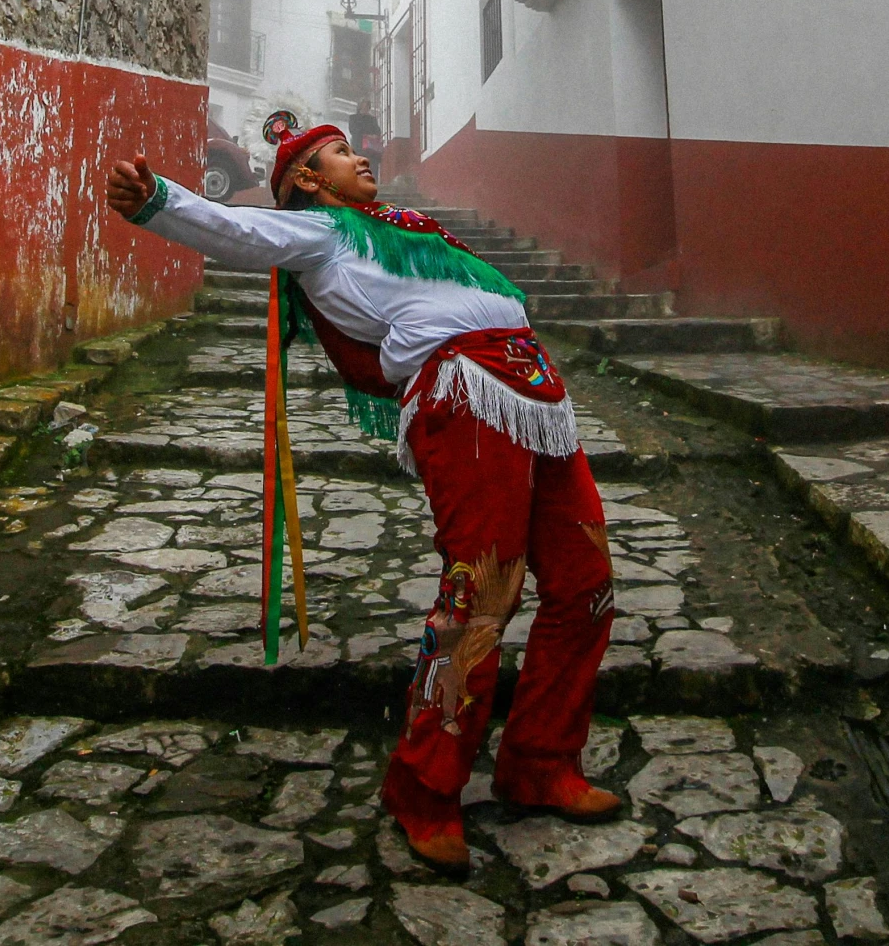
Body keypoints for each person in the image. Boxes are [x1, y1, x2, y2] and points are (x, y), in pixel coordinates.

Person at [103, 126, 620, 875]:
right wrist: (157, 200)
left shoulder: (404, 228)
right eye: (341, 151)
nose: (362, 157)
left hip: (538, 395)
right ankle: (424, 788)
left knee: (586, 583)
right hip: (465, 401)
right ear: (308, 181)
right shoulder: (319, 234)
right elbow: (235, 227)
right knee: (480, 597)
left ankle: (542, 762)